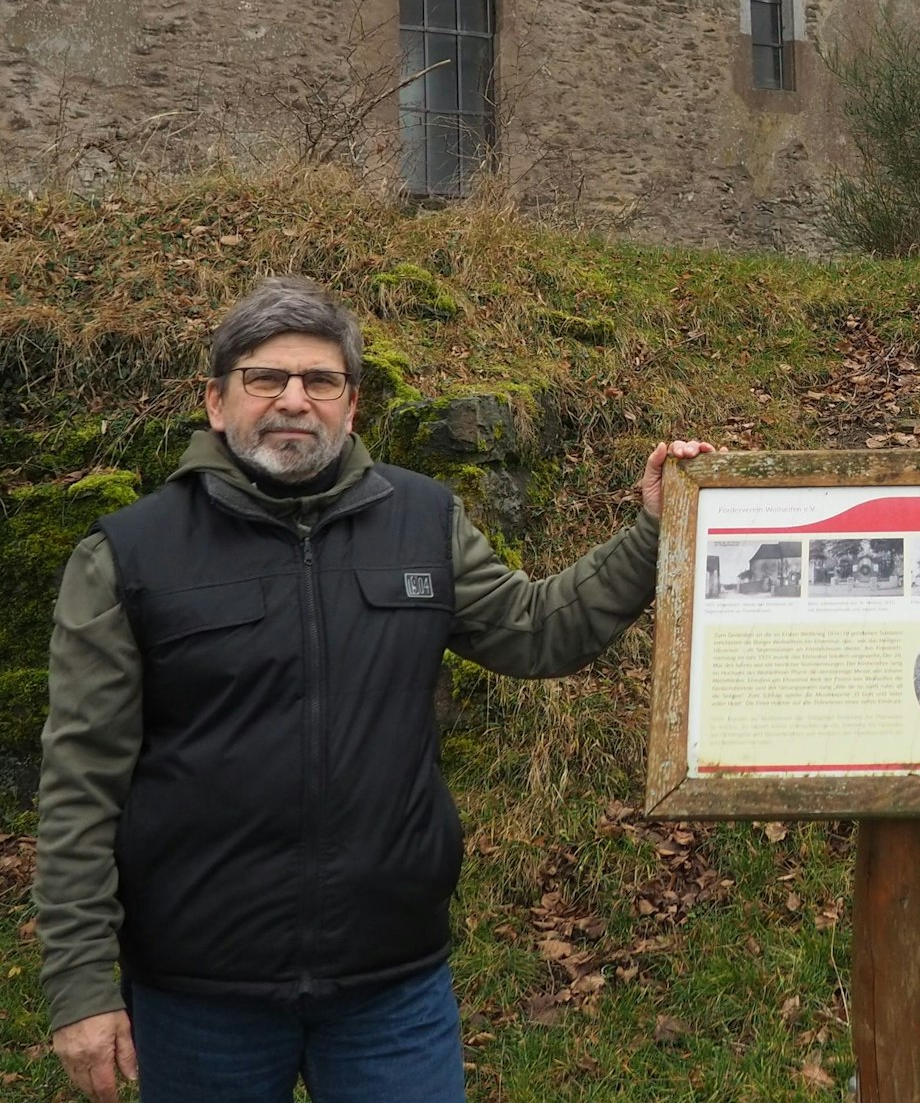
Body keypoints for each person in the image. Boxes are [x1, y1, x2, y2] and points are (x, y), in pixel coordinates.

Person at [35, 275, 710, 1103]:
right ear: (216, 402)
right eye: (265, 378)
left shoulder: (423, 520)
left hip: (391, 984)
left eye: (321, 381)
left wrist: (651, 531)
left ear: (351, 405)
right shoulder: (128, 555)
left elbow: (539, 630)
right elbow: (80, 786)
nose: (294, 399)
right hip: (199, 990)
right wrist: (81, 989)